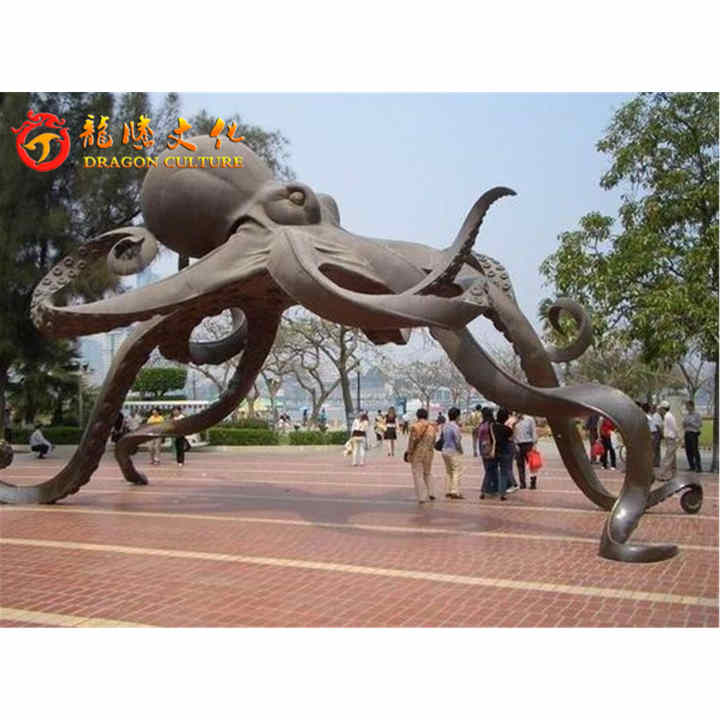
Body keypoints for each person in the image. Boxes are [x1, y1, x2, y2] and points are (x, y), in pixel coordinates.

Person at [406, 408, 437, 503]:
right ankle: (431, 492)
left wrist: (409, 452)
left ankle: (421, 497)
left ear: (417, 416)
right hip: (429, 452)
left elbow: (412, 441)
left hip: (418, 453)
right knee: (428, 473)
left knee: (418, 474)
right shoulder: (432, 427)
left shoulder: (415, 427)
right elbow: (434, 441)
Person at [489, 408, 514, 501]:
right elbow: (511, 439)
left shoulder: (492, 426)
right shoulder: (507, 429)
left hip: (494, 451)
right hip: (505, 452)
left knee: (492, 470)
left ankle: (491, 489)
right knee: (504, 473)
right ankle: (502, 494)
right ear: (506, 418)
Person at [440, 407, 464, 499]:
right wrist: (461, 450)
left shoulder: (445, 426)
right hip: (453, 451)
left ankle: (448, 490)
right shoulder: (455, 427)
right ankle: (455, 491)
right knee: (457, 470)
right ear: (457, 416)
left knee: (448, 471)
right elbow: (457, 441)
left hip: (444, 450)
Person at [477, 406, 499, 497]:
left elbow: (479, 438)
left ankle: (493, 488)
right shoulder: (491, 424)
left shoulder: (481, 425)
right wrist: (494, 449)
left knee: (490, 469)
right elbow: (494, 438)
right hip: (490, 449)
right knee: (490, 470)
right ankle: (484, 489)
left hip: (482, 448)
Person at [513, 411, 538, 489]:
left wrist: (534, 444)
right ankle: (522, 483)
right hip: (518, 445)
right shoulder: (514, 420)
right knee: (520, 465)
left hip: (528, 444)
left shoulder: (529, 419)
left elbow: (533, 432)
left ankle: (533, 483)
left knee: (532, 464)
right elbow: (512, 433)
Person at [657, 401, 679, 481]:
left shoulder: (668, 416)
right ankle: (674, 474)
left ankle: (662, 474)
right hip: (670, 438)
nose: (659, 410)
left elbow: (674, 427)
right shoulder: (667, 416)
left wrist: (677, 437)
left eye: (660, 409)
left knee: (668, 457)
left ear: (663, 408)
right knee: (672, 457)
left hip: (671, 438)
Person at [682, 400, 702, 473]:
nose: (686, 407)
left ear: (692, 406)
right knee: (688, 450)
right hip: (687, 433)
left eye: (687, 406)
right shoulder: (686, 415)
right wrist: (684, 423)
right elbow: (684, 425)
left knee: (695, 450)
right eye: (686, 406)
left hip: (693, 434)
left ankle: (699, 467)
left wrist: (691, 423)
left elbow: (700, 425)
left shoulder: (697, 414)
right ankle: (692, 466)